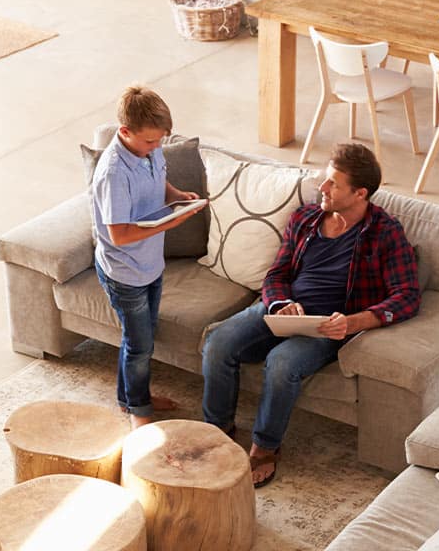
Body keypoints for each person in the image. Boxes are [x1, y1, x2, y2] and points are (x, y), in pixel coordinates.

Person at [201, 142, 420, 488]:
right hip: (282, 310)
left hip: (326, 327)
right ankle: (218, 429)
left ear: (360, 193)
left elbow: (407, 296)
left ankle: (264, 448)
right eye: (325, 179)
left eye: (334, 183)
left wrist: (353, 322)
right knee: (217, 341)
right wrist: (278, 303)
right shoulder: (306, 217)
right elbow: (276, 275)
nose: (323, 188)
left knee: (282, 364)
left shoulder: (385, 234)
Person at [91, 86, 204, 428]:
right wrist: (172, 220)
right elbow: (119, 234)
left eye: (159, 141)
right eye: (150, 142)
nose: (157, 148)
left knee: (143, 338)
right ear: (125, 132)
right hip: (124, 271)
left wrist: (177, 196)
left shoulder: (150, 151)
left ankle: (131, 398)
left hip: (151, 264)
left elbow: (161, 178)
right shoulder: (114, 173)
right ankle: (139, 411)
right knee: (139, 345)